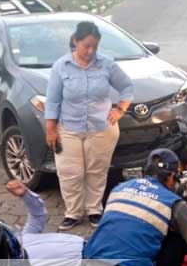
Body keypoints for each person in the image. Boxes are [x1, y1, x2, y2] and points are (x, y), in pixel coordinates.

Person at [45, 21, 134, 231]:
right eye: (86, 45)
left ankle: (95, 210)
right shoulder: (61, 66)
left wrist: (120, 109)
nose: (90, 51)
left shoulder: (106, 64)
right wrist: (50, 128)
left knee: (97, 170)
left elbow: (127, 87)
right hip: (68, 128)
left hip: (101, 128)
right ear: (76, 41)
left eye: (94, 46)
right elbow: (52, 100)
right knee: (70, 172)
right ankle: (73, 213)